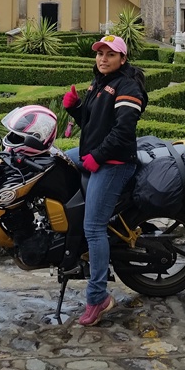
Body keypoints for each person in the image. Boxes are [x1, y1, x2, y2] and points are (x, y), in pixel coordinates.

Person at [63, 34, 148, 326]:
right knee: (54, 162)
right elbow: (94, 125)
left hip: (114, 163)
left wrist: (97, 157)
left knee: (94, 227)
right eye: (100, 53)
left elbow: (123, 132)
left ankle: (98, 298)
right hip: (94, 154)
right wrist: (75, 108)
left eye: (110, 54)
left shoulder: (128, 86)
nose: (103, 58)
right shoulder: (99, 82)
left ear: (123, 59)